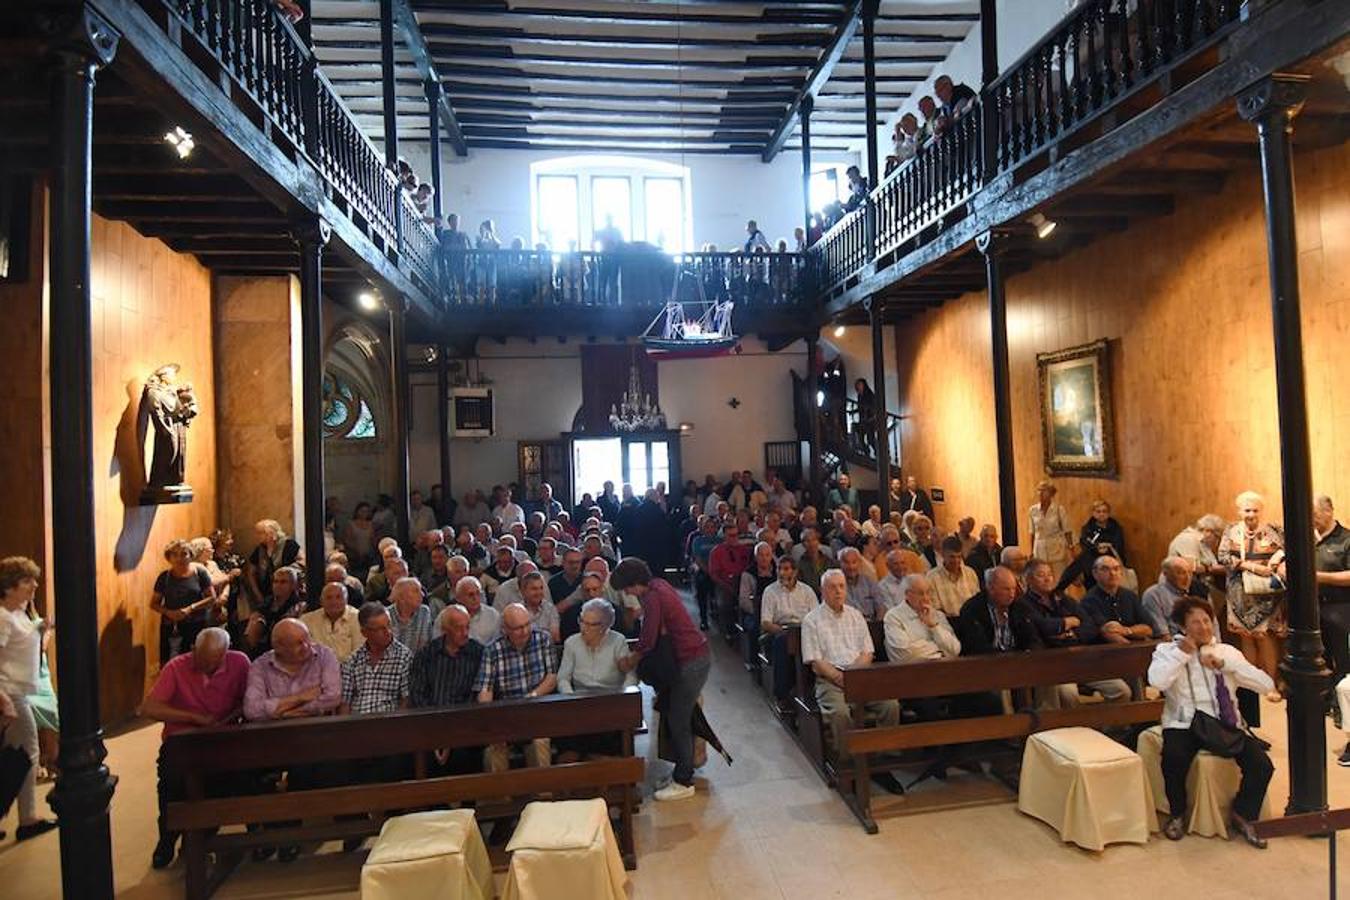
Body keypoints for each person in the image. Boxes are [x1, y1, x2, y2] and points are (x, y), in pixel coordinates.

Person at [1147, 597, 1274, 847]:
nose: (1203, 627)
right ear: (1183, 627)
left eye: (1207, 620)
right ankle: (1177, 814)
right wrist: (1183, 655)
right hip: (1184, 723)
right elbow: (1157, 682)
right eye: (1195, 622)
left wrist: (1225, 666)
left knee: (1262, 764)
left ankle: (1243, 813)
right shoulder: (1167, 652)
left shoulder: (1226, 652)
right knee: (1174, 758)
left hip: (1224, 723)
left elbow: (1265, 684)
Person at [140, 626, 250, 867]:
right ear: (193, 650)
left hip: (223, 737)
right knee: (172, 782)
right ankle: (167, 838)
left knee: (224, 782)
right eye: (202, 660)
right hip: (183, 738)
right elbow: (149, 708)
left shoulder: (239, 663)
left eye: (213, 662)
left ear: (225, 653)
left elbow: (249, 700)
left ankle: (201, 838)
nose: (207, 667)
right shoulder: (177, 667)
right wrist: (194, 718)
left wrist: (233, 714)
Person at [612, 558, 711, 801]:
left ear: (635, 582)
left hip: (690, 661)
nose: (627, 593)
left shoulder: (653, 596)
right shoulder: (658, 585)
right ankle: (681, 770)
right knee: (678, 716)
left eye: (627, 588)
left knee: (679, 719)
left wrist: (631, 660)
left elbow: (648, 638)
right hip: (693, 657)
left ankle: (684, 779)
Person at [800, 570, 900, 775]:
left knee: (890, 705)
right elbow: (816, 661)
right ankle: (849, 764)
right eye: (832, 587)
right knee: (840, 713)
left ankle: (882, 760)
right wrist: (840, 678)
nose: (838, 591)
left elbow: (867, 652)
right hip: (830, 680)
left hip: (859, 676)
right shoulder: (812, 620)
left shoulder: (855, 615)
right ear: (822, 590)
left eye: (841, 586)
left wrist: (853, 676)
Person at [0, 557, 59, 842]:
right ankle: (27, 819)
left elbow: (25, 645)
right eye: (26, 581)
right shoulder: (2, 616)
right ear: (9, 587)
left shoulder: (20, 613)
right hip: (9, 694)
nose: (34, 585)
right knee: (28, 752)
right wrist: (4, 700)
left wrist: (41, 629)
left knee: (18, 754)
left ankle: (25, 817)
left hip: (19, 692)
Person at [1217, 490, 1286, 699]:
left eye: (1255, 510)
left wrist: (1276, 559)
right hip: (1239, 592)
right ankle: (1252, 685)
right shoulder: (1231, 531)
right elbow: (1222, 556)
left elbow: (1288, 548)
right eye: (1247, 510)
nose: (1251, 514)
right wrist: (1250, 566)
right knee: (1246, 637)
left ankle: (1270, 684)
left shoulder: (1273, 530)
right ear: (1240, 511)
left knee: (1265, 636)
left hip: (1266, 593)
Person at [475, 603, 557, 771]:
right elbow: (485, 691)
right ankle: (500, 796)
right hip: (506, 713)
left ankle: (544, 795)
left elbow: (552, 677)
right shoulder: (492, 650)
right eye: (518, 628)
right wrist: (491, 722)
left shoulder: (543, 639)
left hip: (536, 708)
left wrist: (533, 696)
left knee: (540, 742)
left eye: (527, 624)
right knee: (494, 749)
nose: (525, 631)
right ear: (505, 629)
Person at [759, 555, 818, 707]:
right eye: (779, 569)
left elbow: (816, 617)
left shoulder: (807, 591)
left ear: (795, 571)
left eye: (786, 569)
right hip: (780, 630)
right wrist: (784, 632)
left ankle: (811, 691)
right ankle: (782, 695)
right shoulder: (770, 591)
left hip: (804, 630)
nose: (782, 573)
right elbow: (766, 622)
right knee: (783, 643)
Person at [151, 539, 219, 663]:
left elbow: (212, 598)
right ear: (169, 557)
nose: (179, 558)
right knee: (170, 663)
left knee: (195, 663)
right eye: (175, 555)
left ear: (190, 555)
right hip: (171, 628)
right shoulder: (164, 577)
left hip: (196, 625)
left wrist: (190, 608)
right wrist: (168, 612)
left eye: (184, 554)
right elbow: (154, 604)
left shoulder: (200, 573)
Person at [339, 603, 411, 715]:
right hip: (357, 723)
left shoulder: (404, 657)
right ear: (364, 633)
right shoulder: (352, 660)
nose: (388, 632)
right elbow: (345, 703)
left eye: (389, 625)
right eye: (380, 629)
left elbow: (406, 700)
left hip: (387, 723)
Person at [1312, 496, 1350, 695]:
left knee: (1343, 658)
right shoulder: (1309, 538)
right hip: (1314, 608)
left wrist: (1320, 577)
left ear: (1329, 511)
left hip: (1341, 608)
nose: (1312, 519)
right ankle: (1326, 699)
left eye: (1315, 514)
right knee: (1320, 659)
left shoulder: (1346, 539)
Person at [957, 567, 1042, 654]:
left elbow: (1033, 639)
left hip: (1018, 660)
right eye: (1006, 589)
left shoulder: (1019, 607)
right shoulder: (972, 609)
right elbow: (975, 646)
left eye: (1013, 589)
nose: (1011, 594)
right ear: (991, 589)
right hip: (986, 662)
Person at [883, 574, 960, 664]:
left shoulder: (938, 615)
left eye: (928, 592)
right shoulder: (893, 616)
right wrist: (938, 650)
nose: (926, 598)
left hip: (943, 667)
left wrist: (934, 626)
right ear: (907, 594)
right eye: (921, 593)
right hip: (910, 672)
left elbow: (955, 649)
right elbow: (903, 653)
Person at [1081, 555, 1157, 643]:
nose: (1112, 573)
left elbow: (1148, 629)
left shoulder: (1130, 596)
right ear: (1095, 573)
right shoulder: (1089, 601)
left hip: (1135, 647)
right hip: (1106, 652)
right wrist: (1131, 646)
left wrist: (1126, 630)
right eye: (1105, 569)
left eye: (1116, 569)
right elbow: (1108, 632)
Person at [1057, 499, 1128, 592]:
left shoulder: (1115, 527)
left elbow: (1119, 545)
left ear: (1108, 513)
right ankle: (1058, 590)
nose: (1101, 514)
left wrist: (1107, 547)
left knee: (1100, 567)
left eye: (1104, 511)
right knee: (1080, 563)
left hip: (1111, 556)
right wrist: (1097, 547)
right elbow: (1085, 543)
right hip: (1092, 555)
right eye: (1098, 511)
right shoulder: (1088, 528)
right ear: (1094, 513)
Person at [245, 519, 301, 612]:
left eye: (261, 533)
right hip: (267, 594)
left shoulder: (289, 544)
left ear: (271, 533)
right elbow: (251, 572)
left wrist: (286, 571)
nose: (258, 536)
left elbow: (302, 561)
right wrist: (258, 594)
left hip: (288, 592)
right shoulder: (260, 549)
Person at [300, 582, 363, 663]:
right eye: (329, 597)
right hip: (316, 669)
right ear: (321, 601)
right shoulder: (307, 620)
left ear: (346, 600)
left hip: (349, 670)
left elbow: (359, 653)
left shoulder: (358, 618)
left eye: (338, 597)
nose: (334, 602)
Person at [1028, 480, 1073, 581]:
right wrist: (1031, 551)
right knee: (1042, 577)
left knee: (1058, 578)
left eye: (1044, 491)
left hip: (1056, 547)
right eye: (1039, 490)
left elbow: (1067, 530)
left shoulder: (1058, 509)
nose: (1041, 493)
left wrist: (1071, 548)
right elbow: (1032, 531)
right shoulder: (1033, 510)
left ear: (1051, 493)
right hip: (1039, 548)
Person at [1142, 557, 1197, 638]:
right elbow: (1162, 634)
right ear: (1166, 574)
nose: (1187, 578)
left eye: (1190, 573)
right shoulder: (1153, 595)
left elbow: (1213, 624)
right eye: (1181, 573)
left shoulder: (1198, 592)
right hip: (1172, 645)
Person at [926, 535, 980, 617]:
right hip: (946, 622)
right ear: (943, 555)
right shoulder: (932, 577)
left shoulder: (970, 573)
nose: (956, 561)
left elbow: (976, 601)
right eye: (952, 557)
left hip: (971, 620)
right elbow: (934, 608)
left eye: (959, 556)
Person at [386, 576, 436, 655]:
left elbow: (426, 644)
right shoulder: (386, 615)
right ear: (402, 597)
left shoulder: (424, 612)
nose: (422, 595)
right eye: (416, 591)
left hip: (417, 662)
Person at [838, 547, 885, 619]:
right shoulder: (834, 585)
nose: (851, 567)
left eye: (854, 562)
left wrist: (878, 623)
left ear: (859, 563)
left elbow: (880, 605)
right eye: (846, 562)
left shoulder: (869, 582)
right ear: (840, 564)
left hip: (870, 623)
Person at [852, 378, 876, 453]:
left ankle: (877, 451)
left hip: (871, 420)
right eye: (857, 385)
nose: (858, 387)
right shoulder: (859, 396)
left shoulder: (869, 394)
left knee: (870, 439)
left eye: (859, 385)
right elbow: (860, 408)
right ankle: (866, 450)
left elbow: (873, 407)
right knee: (859, 435)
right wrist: (853, 411)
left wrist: (870, 415)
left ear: (863, 385)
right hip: (863, 420)